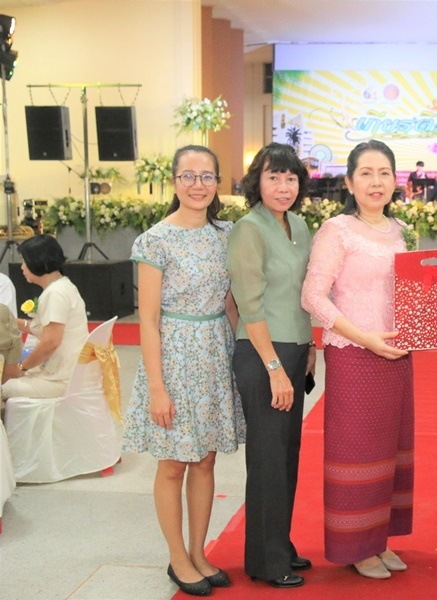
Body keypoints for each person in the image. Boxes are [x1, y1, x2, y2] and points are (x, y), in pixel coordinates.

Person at [122, 145, 244, 596]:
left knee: (206, 459)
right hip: (173, 356)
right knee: (173, 463)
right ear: (174, 181)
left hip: (215, 352)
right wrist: (157, 387)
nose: (198, 185)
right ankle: (177, 557)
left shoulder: (228, 234)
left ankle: (198, 551)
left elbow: (232, 304)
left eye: (207, 176)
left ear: (217, 183)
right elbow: (148, 320)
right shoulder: (155, 239)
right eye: (188, 176)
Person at [301, 140, 414, 580]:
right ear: (349, 182)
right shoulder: (337, 230)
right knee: (356, 449)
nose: (376, 181)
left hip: (397, 353)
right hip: (354, 354)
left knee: (390, 448)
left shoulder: (400, 229)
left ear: (395, 180)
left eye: (384, 172)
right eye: (366, 173)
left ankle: (378, 538)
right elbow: (312, 296)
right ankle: (355, 545)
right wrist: (364, 337)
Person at [227, 143, 314, 589]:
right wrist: (275, 367)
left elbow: (305, 291)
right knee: (267, 458)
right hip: (263, 353)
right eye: (273, 177)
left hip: (294, 348)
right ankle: (266, 559)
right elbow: (249, 303)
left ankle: (279, 542)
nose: (283, 187)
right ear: (256, 182)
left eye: (290, 178)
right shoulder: (248, 229)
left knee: (287, 455)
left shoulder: (297, 224)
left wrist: (309, 345)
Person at [2, 235, 88, 400]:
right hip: (70, 371)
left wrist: (22, 368)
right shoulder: (63, 285)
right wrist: (9, 320)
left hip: (59, 379)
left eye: (24, 261)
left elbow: (50, 342)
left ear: (37, 261)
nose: (22, 267)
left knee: (3, 386)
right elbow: (46, 330)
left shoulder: (55, 294)